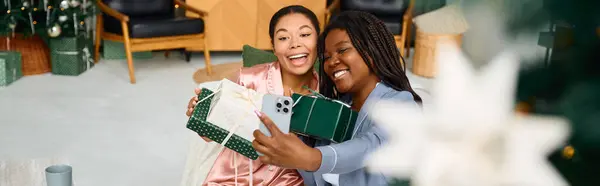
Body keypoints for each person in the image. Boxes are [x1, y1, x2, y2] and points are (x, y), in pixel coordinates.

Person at [251, 11, 423, 186]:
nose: (332, 62)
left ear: (372, 50)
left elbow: (371, 146)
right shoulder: (336, 109)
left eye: (342, 50)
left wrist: (311, 158)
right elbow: (312, 173)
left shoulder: (400, 102)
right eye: (326, 57)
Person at [185, 5, 321, 186]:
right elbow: (213, 134)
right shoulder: (248, 79)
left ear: (319, 41)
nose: (295, 43)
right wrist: (201, 115)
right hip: (233, 177)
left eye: (304, 35)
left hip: (289, 180)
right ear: (273, 46)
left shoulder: (328, 93)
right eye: (283, 38)